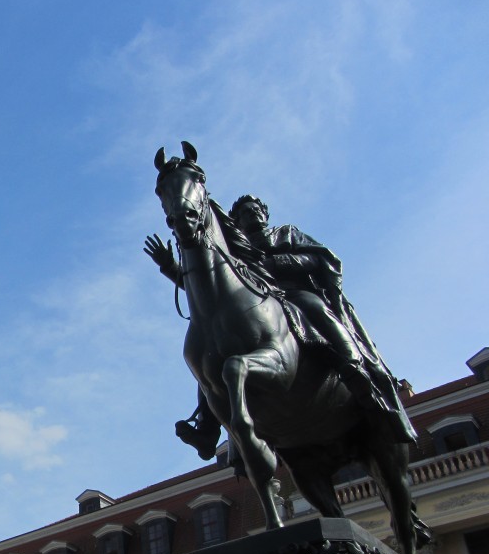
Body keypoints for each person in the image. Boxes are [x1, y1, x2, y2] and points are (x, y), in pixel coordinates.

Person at [144, 194, 415, 458]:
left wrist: (274, 262)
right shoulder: (232, 250)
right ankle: (207, 428)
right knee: (211, 353)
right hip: (254, 310)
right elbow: (206, 288)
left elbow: (320, 260)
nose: (250, 215)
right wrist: (169, 267)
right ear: (235, 222)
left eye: (254, 210)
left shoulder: (285, 235)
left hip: (290, 295)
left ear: (264, 214)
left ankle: (354, 369)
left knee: (315, 308)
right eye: (243, 213)